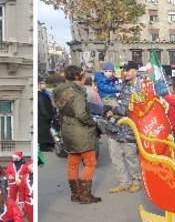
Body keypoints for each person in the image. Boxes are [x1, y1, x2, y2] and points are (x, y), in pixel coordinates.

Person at [53, 65, 101, 204]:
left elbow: (59, 109)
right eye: (82, 74)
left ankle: (75, 194)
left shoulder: (58, 90)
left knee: (73, 163)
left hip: (67, 130)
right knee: (90, 162)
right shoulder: (77, 92)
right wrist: (92, 122)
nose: (84, 76)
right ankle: (85, 195)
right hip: (81, 131)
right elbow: (81, 114)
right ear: (77, 76)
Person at [104, 61, 142, 194]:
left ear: (135, 71)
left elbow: (129, 108)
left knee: (130, 156)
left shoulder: (141, 86)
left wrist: (113, 109)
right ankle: (123, 182)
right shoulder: (124, 85)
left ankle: (136, 181)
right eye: (123, 70)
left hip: (130, 128)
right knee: (115, 155)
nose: (125, 72)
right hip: (115, 126)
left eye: (128, 70)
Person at [37, 78, 57, 153]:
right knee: (44, 132)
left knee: (45, 132)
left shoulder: (44, 93)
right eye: (42, 83)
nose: (44, 85)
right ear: (38, 85)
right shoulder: (40, 94)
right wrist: (48, 116)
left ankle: (47, 146)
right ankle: (44, 147)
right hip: (43, 117)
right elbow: (42, 107)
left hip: (43, 116)